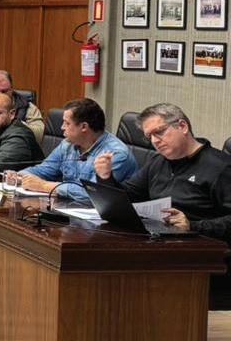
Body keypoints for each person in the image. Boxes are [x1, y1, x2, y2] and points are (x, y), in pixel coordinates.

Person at [95, 103, 231, 240]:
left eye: (159, 132)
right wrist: (105, 177)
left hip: (201, 244)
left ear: (182, 126)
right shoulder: (158, 161)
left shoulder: (221, 167)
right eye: (149, 136)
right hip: (159, 237)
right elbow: (128, 196)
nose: (154, 141)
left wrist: (193, 226)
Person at [17, 98, 138, 201]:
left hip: (103, 217)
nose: (62, 127)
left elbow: (92, 193)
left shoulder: (115, 154)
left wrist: (44, 186)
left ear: (84, 127)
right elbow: (43, 170)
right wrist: (19, 176)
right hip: (69, 209)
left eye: (67, 123)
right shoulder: (67, 145)